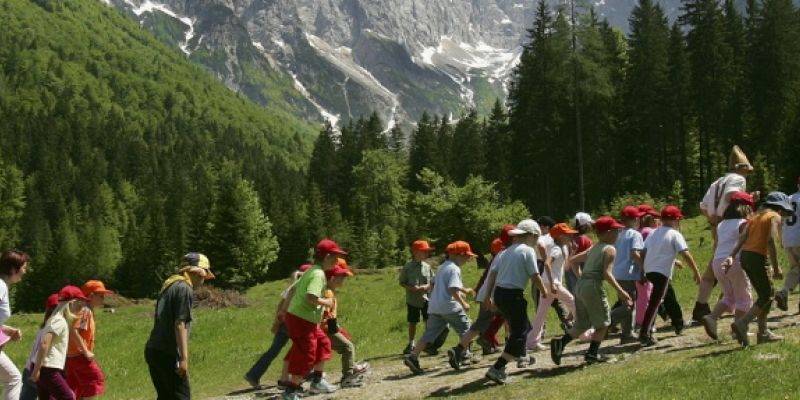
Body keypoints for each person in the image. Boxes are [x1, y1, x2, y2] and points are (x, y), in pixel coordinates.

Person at [550, 217, 633, 365]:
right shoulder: (609, 249)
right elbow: (607, 274)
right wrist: (621, 291)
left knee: (582, 323)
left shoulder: (594, 247)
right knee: (603, 323)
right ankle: (592, 354)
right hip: (593, 286)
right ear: (608, 233)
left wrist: (581, 276)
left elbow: (573, 260)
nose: (618, 234)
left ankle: (560, 344)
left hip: (580, 286)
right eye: (616, 231)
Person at [694, 145, 757, 322]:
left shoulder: (717, 182)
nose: (747, 174)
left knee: (717, 263)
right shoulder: (738, 179)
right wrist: (750, 201)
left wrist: (713, 219)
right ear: (741, 168)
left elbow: (703, 206)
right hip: (731, 222)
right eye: (747, 170)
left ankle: (705, 305)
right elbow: (732, 196)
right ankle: (732, 304)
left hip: (718, 225)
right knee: (734, 260)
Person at [481, 219, 547, 384]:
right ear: (531, 235)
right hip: (513, 295)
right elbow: (534, 275)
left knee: (523, 326)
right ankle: (498, 367)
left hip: (500, 294)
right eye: (537, 237)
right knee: (519, 333)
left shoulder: (505, 252)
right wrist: (544, 290)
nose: (537, 241)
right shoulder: (528, 251)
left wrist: (488, 296)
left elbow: (493, 275)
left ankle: (522, 355)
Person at [145, 252, 215, 400]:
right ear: (197, 272)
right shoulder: (184, 288)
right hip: (168, 353)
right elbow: (180, 324)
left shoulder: (170, 284)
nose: (203, 280)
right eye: (204, 276)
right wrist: (184, 358)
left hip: (154, 350)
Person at [725, 192, 792, 347]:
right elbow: (770, 240)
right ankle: (743, 323)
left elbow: (742, 237)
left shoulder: (754, 217)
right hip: (758, 257)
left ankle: (763, 333)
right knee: (767, 295)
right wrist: (776, 267)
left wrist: (731, 256)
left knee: (765, 295)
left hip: (746, 256)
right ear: (780, 208)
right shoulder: (774, 216)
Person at [282, 239, 345, 400]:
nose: (337, 261)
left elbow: (294, 289)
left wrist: (284, 310)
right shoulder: (317, 274)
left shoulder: (312, 270)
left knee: (324, 344)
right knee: (305, 353)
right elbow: (311, 298)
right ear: (328, 256)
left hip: (304, 319)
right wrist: (328, 302)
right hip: (301, 319)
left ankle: (317, 381)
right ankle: (291, 391)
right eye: (336, 257)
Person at [403, 241, 475, 374]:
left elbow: (434, 284)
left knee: (429, 334)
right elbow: (452, 288)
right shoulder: (454, 268)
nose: (468, 259)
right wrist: (463, 303)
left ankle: (413, 356)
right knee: (467, 329)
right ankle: (462, 354)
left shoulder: (443, 267)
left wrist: (464, 290)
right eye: (467, 256)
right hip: (450, 306)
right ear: (459, 255)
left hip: (435, 306)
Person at [638, 206, 702, 347]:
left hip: (650, 269)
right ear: (675, 220)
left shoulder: (654, 233)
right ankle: (644, 333)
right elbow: (685, 254)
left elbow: (643, 252)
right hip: (662, 272)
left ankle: (678, 322)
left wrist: (642, 270)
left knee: (668, 296)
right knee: (655, 302)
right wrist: (696, 272)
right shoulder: (674, 234)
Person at [701, 192, 754, 339]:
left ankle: (712, 317)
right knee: (744, 297)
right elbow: (747, 242)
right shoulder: (743, 224)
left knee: (729, 295)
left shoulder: (722, 224)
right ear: (746, 208)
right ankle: (739, 328)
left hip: (717, 261)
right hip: (734, 261)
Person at [244, 269, 304, 389]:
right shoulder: (300, 288)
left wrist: (277, 321)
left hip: (284, 322)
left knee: (273, 350)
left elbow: (280, 305)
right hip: (293, 322)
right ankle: (302, 375)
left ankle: (253, 375)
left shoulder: (290, 287)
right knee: (303, 347)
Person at [527, 223, 578, 351]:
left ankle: (531, 341)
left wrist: (573, 251)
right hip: (552, 283)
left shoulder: (561, 248)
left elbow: (564, 266)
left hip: (548, 283)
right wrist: (553, 283)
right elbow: (547, 264)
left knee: (541, 313)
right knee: (573, 301)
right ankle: (585, 332)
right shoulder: (557, 249)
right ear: (560, 236)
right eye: (568, 234)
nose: (571, 236)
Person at [31, 286, 89, 400]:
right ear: (72, 304)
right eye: (81, 304)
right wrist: (37, 370)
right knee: (68, 397)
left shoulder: (55, 319)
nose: (82, 308)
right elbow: (44, 343)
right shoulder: (59, 320)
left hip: (45, 367)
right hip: (48, 368)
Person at [321, 259, 368, 388]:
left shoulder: (330, 292)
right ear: (331, 279)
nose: (343, 280)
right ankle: (348, 377)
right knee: (348, 347)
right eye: (341, 277)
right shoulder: (328, 293)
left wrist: (337, 327)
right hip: (326, 330)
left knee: (344, 348)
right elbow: (325, 316)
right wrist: (334, 329)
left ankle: (350, 370)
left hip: (327, 328)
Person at [66, 280, 112, 399]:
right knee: (95, 379)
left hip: (71, 356)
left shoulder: (83, 309)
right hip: (79, 355)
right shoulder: (85, 310)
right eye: (100, 296)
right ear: (91, 296)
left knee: (76, 385)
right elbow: (74, 330)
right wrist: (86, 351)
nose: (103, 299)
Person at [609, 207, 645, 344]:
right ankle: (607, 320)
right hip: (629, 274)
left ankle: (626, 334)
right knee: (629, 306)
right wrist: (644, 268)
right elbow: (635, 254)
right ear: (635, 219)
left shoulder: (618, 234)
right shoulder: (635, 235)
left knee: (627, 303)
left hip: (617, 273)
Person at [398, 240, 434, 355]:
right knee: (413, 322)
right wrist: (411, 288)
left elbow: (433, 281)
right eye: (424, 251)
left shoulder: (427, 267)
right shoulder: (407, 267)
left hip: (426, 299)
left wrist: (426, 286)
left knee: (428, 320)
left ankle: (428, 343)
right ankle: (411, 343)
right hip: (412, 300)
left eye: (427, 251)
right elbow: (402, 282)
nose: (426, 253)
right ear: (415, 252)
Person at [20, 294, 59, 400]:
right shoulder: (53, 328)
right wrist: (37, 370)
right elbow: (44, 348)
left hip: (28, 369)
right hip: (39, 371)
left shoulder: (43, 327)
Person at [0, 249, 27, 400]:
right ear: (12, 269)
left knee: (13, 379)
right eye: (23, 267)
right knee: (14, 379)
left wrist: (8, 331)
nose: (25, 271)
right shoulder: (0, 286)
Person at [775, 177, 800, 313]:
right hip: (799, 237)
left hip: (788, 239)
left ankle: (784, 292)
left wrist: (781, 239)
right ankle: (784, 292)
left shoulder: (789, 198)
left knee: (796, 269)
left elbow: (780, 220)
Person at [568, 212, 595, 295]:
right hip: (582, 273)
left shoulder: (570, 237)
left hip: (569, 272)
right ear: (585, 225)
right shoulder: (585, 240)